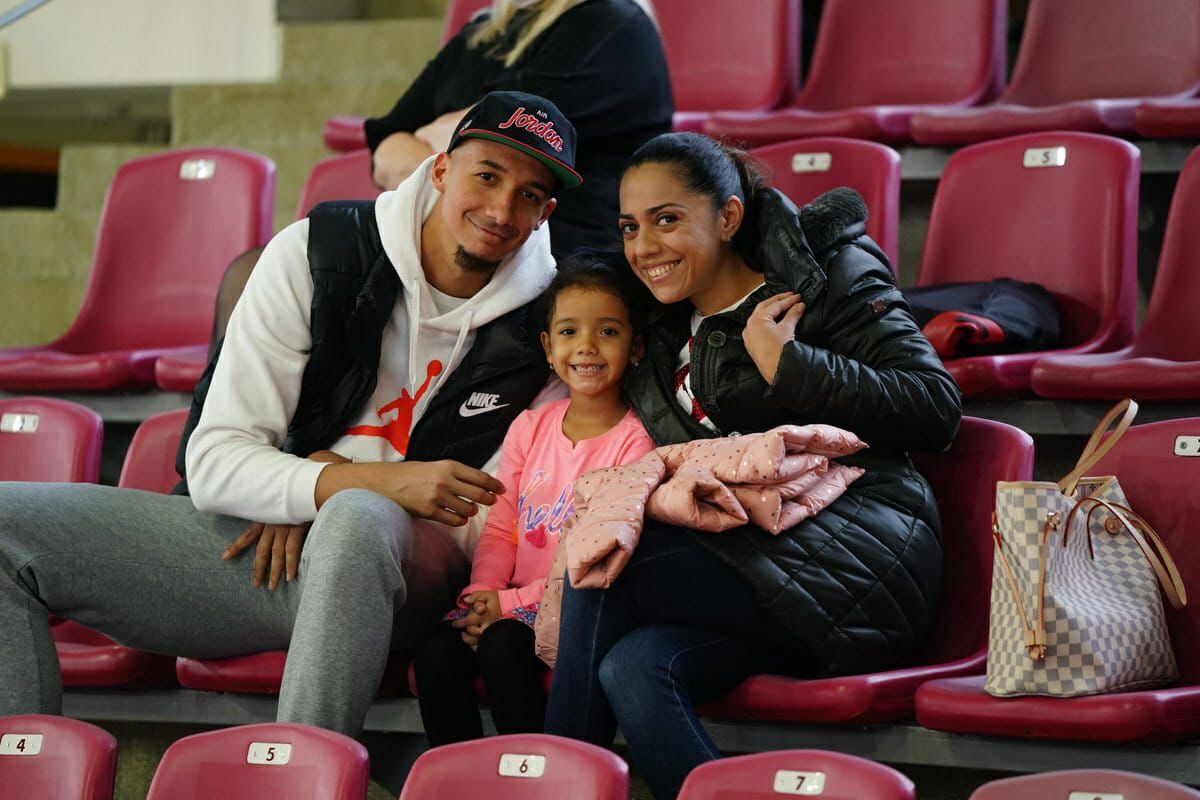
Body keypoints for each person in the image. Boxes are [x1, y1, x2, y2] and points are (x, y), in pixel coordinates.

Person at [0, 90, 579, 737]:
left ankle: (301, 773)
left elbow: (498, 518)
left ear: (546, 213)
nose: (500, 209)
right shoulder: (316, 253)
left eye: (528, 195)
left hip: (411, 577)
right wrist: (330, 481)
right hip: (262, 551)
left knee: (355, 521)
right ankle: (24, 774)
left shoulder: (551, 324)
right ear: (441, 169)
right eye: (487, 176)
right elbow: (214, 461)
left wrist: (331, 493)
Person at [544, 132, 963, 798]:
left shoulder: (821, 274)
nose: (644, 246)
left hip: (859, 552)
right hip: (751, 567)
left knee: (606, 563)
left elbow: (935, 408)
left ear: (729, 217)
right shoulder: (654, 323)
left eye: (667, 220)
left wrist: (790, 366)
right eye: (630, 227)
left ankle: (552, 788)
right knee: (634, 667)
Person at [209, 0, 672, 345]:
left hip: (547, 248)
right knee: (258, 273)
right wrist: (454, 158)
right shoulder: (485, 30)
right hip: (451, 241)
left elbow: (504, 139)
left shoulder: (613, 25)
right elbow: (387, 144)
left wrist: (448, 148)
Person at [411, 251, 655, 745]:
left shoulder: (636, 442)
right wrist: (481, 594)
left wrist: (506, 605)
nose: (586, 346)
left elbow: (596, 558)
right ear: (547, 345)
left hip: (570, 606)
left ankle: (536, 772)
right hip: (506, 600)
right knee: (435, 653)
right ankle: (460, 775)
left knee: (503, 648)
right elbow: (502, 525)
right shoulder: (530, 425)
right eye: (569, 331)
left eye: (608, 331)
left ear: (636, 346)